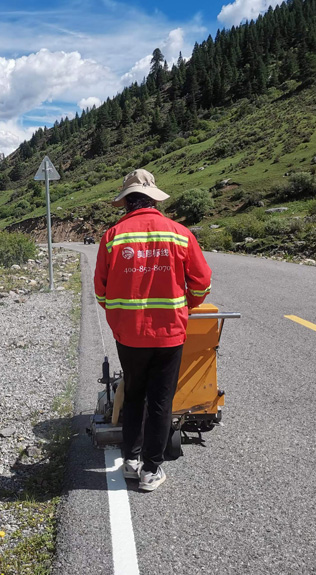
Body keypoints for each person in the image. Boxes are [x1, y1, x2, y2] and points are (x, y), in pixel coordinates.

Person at [94, 169, 212, 492]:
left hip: (129, 337)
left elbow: (101, 292)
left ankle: (130, 461)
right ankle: (150, 470)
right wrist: (184, 304)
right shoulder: (179, 234)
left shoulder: (113, 236)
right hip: (169, 335)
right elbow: (202, 284)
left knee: (133, 395)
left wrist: (120, 317)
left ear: (126, 203)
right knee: (161, 401)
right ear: (154, 199)